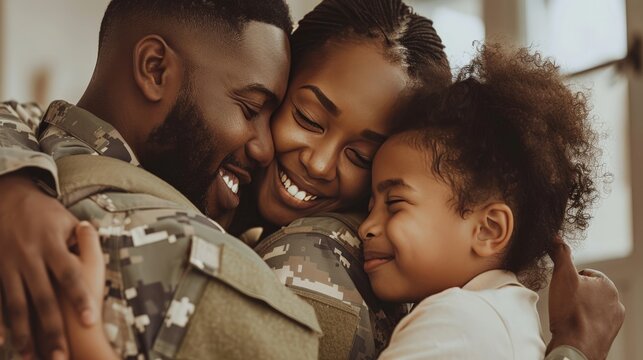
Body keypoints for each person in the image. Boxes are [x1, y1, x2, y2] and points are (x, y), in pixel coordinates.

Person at [0, 0, 625, 359]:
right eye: (302, 115)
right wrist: (15, 184)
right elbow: (40, 121)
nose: (319, 163)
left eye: (366, 159)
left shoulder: (336, 266)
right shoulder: (198, 185)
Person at [0, 1, 324, 359]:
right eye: (250, 109)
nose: (266, 148)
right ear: (154, 69)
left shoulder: (26, 170)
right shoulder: (213, 276)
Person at [358, 44, 607, 359]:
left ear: (489, 230)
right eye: (369, 207)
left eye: (394, 203)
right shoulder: (502, 313)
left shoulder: (458, 321)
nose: (366, 227)